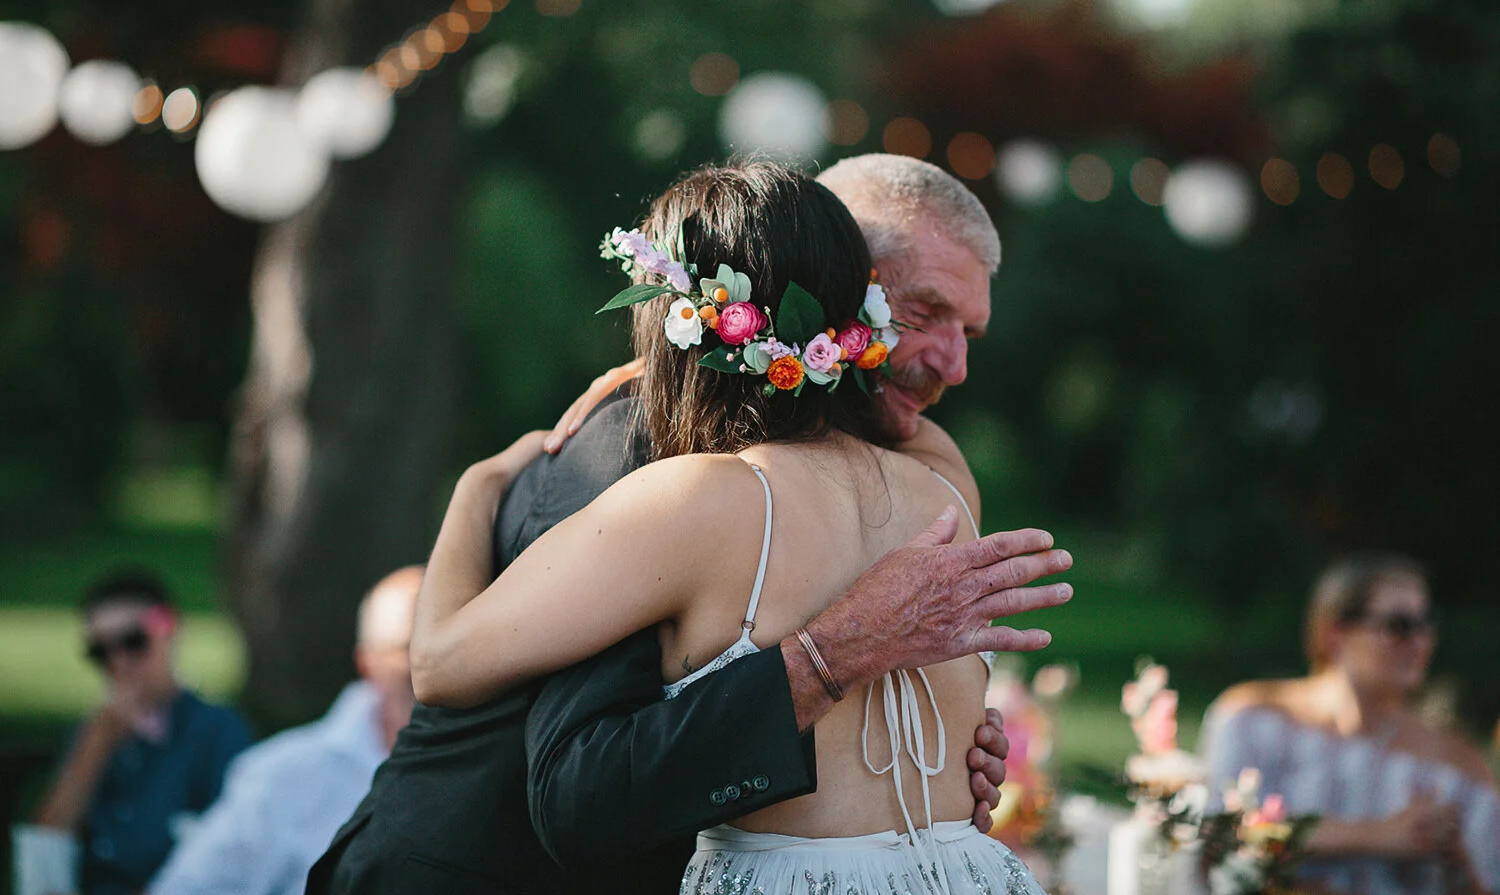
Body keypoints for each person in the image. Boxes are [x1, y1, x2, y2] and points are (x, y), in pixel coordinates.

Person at [307, 157, 1070, 895]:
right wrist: (839, 658)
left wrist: (930, 752)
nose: (955, 365)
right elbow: (584, 779)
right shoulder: (635, 452)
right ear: (842, 294)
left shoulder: (888, 473)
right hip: (480, 872)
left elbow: (438, 662)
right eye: (923, 313)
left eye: (971, 331)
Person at [1201, 553, 1499, 894]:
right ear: (1335, 634)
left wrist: (1457, 862)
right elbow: (1219, 834)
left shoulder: (1457, 763)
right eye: (1399, 625)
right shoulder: (1254, 718)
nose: (1419, 641)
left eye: (1427, 622)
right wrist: (1379, 835)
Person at [147, 566, 422, 895]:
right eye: (411, 645)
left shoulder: (494, 769)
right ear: (368, 662)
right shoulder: (285, 776)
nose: (435, 661)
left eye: (452, 644)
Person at [32, 571, 253, 895]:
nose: (119, 662)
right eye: (100, 651)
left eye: (134, 642)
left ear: (170, 631)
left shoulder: (218, 730)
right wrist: (95, 748)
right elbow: (45, 849)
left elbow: (235, 854)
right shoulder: (93, 732)